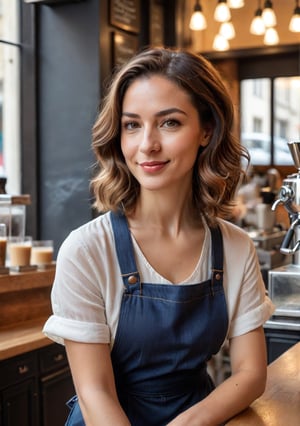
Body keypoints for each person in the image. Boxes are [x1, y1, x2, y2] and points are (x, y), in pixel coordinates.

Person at [43, 47, 274, 426]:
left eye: (169, 123)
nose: (147, 144)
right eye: (132, 125)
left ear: (207, 131)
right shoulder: (86, 250)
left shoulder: (234, 247)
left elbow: (251, 374)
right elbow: (95, 392)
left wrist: (193, 421)